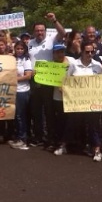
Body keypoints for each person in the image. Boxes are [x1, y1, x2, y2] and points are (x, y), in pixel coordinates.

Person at [28, 13, 66, 148]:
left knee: (49, 112)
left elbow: (63, 33)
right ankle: (38, 137)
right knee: (36, 111)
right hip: (34, 81)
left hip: (49, 81)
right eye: (37, 30)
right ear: (33, 32)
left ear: (45, 31)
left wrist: (54, 20)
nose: (40, 32)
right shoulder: (29, 43)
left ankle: (51, 138)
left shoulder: (51, 40)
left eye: (42, 30)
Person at [66, 41, 102, 162]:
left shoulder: (98, 65)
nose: (90, 54)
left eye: (92, 51)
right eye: (87, 52)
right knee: (74, 124)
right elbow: (67, 80)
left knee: (94, 126)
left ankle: (97, 150)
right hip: (77, 103)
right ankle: (69, 145)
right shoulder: (74, 65)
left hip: (93, 102)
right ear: (81, 52)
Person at [8, 41, 32, 150]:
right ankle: (18, 137)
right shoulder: (12, 59)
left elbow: (28, 76)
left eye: (22, 49)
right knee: (16, 116)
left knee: (20, 116)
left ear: (25, 50)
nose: (19, 51)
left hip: (23, 91)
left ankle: (23, 140)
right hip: (13, 90)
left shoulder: (26, 61)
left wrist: (14, 79)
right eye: (17, 48)